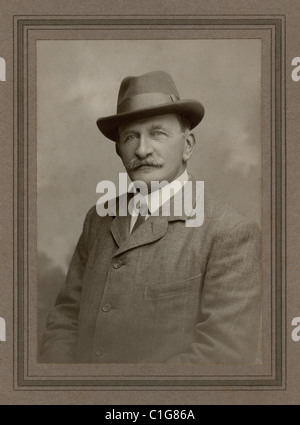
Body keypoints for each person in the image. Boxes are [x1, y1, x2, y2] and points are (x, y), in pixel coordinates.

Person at [40, 70, 261, 363]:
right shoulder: (98, 220)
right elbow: (65, 321)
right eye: (131, 136)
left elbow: (223, 355)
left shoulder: (230, 232)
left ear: (188, 146)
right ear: (119, 149)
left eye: (158, 133)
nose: (142, 150)